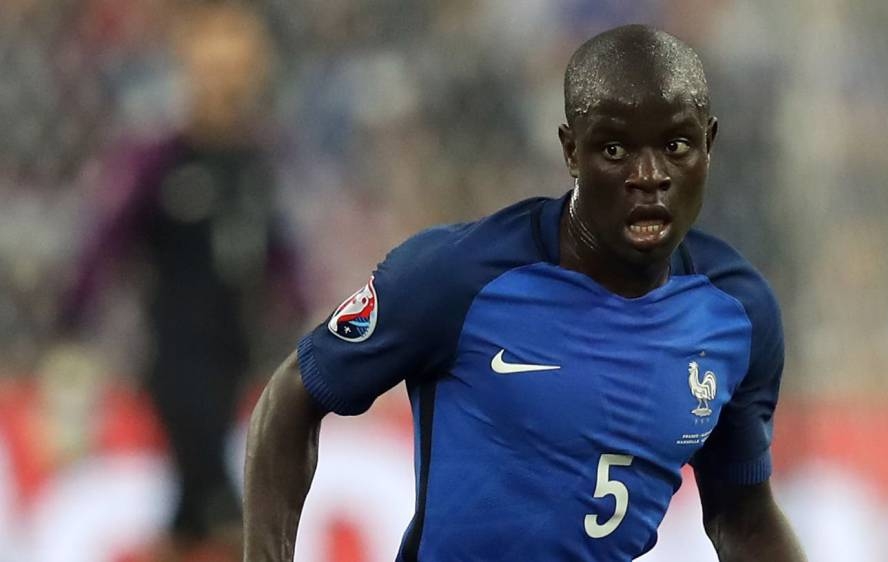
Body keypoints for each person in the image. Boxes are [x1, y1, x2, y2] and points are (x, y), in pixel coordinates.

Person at [244, 24, 805, 561]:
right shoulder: (458, 276)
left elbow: (741, 516)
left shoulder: (738, 313)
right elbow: (293, 395)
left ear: (709, 143)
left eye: (676, 145)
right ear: (571, 151)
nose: (649, 175)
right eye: (615, 150)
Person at [61, 4, 302, 560]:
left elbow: (282, 255)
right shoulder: (158, 159)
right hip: (177, 357)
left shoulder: (257, 160)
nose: (226, 87)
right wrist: (73, 328)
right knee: (227, 510)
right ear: (188, 72)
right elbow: (105, 241)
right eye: (213, 71)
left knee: (193, 515)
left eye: (237, 72)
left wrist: (308, 320)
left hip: (238, 355)